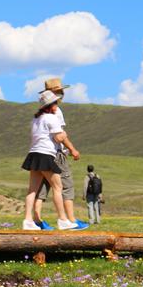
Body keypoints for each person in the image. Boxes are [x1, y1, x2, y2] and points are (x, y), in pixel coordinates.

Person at [32, 78, 88, 230]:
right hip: (55, 152)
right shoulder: (56, 111)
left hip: (39, 152)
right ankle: (69, 219)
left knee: (41, 188)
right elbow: (60, 135)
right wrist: (72, 149)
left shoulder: (39, 115)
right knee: (65, 186)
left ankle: (37, 219)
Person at [21, 91, 80, 230]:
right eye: (55, 102)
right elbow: (59, 138)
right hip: (46, 154)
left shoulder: (36, 119)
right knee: (58, 187)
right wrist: (64, 133)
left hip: (33, 154)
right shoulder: (51, 118)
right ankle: (62, 219)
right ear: (51, 105)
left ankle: (28, 220)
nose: (57, 104)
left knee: (32, 190)